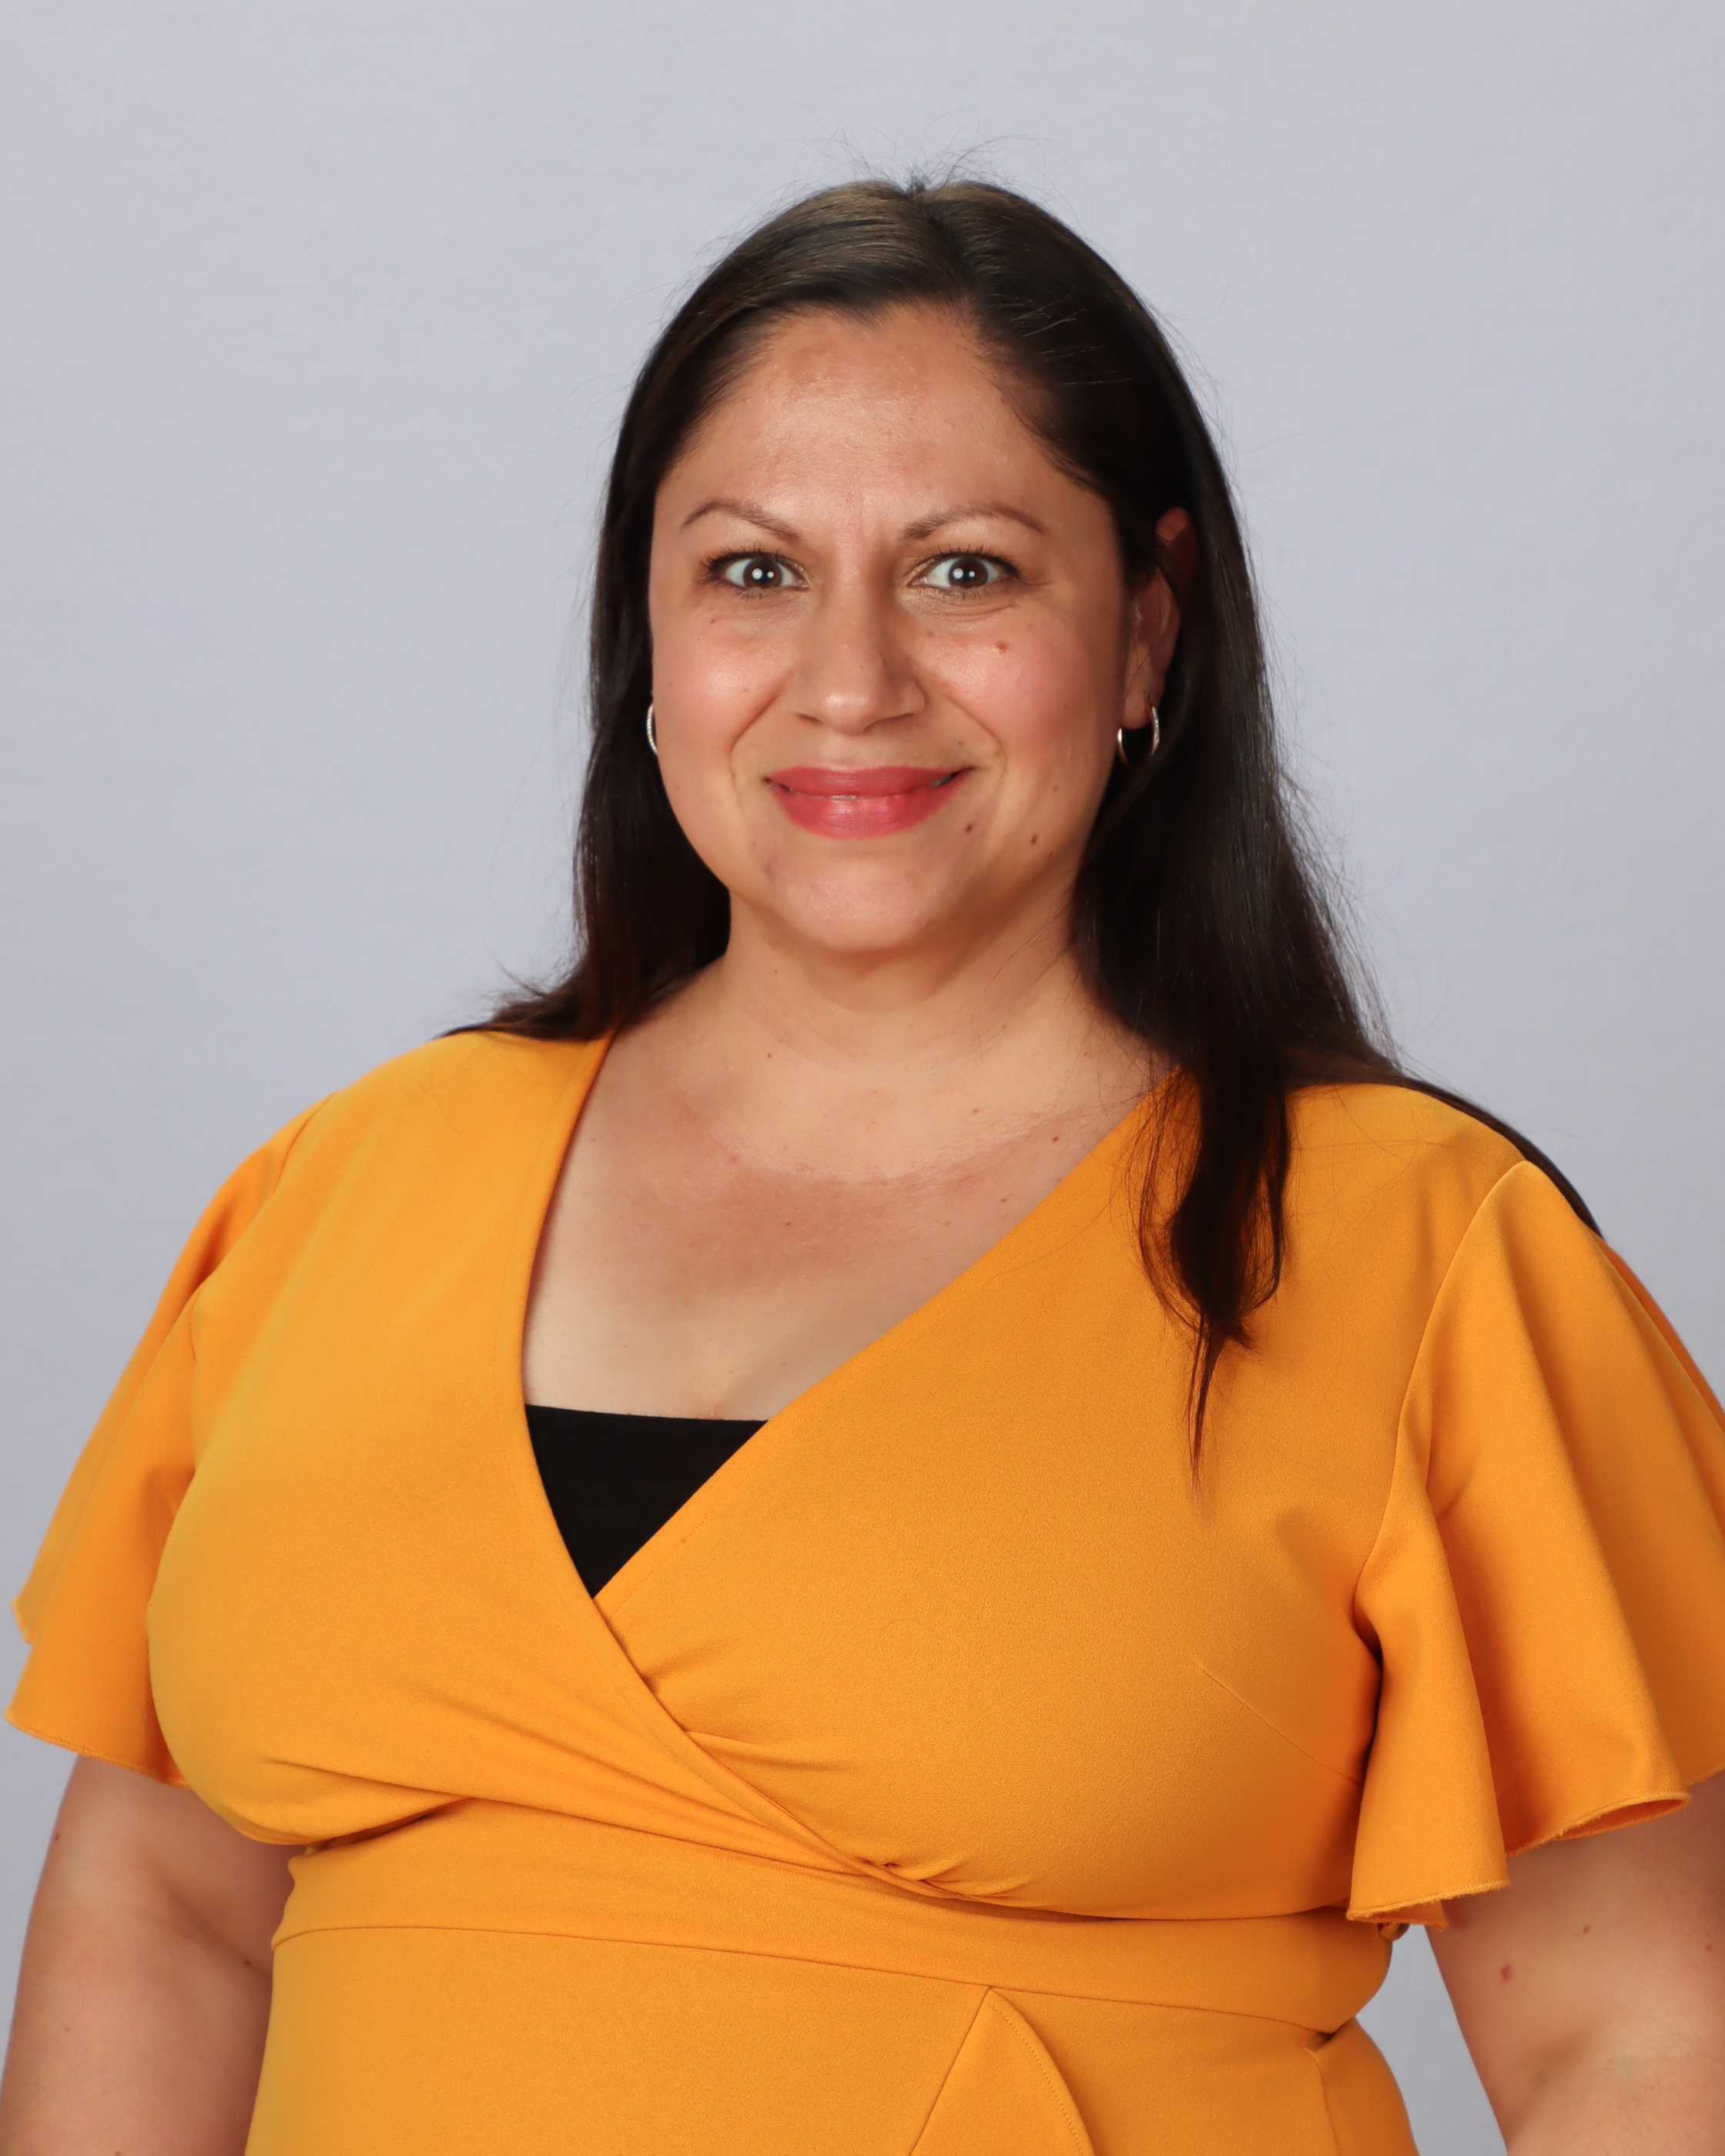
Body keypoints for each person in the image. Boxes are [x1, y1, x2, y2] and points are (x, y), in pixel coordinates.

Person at [2, 176, 1723, 2156]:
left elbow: (1634, 2040)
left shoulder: (1415, 1251)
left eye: (964, 571)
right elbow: (165, 1913)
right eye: (751, 571)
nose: (849, 678)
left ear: (1147, 626)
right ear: (648, 636)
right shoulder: (339, 1189)